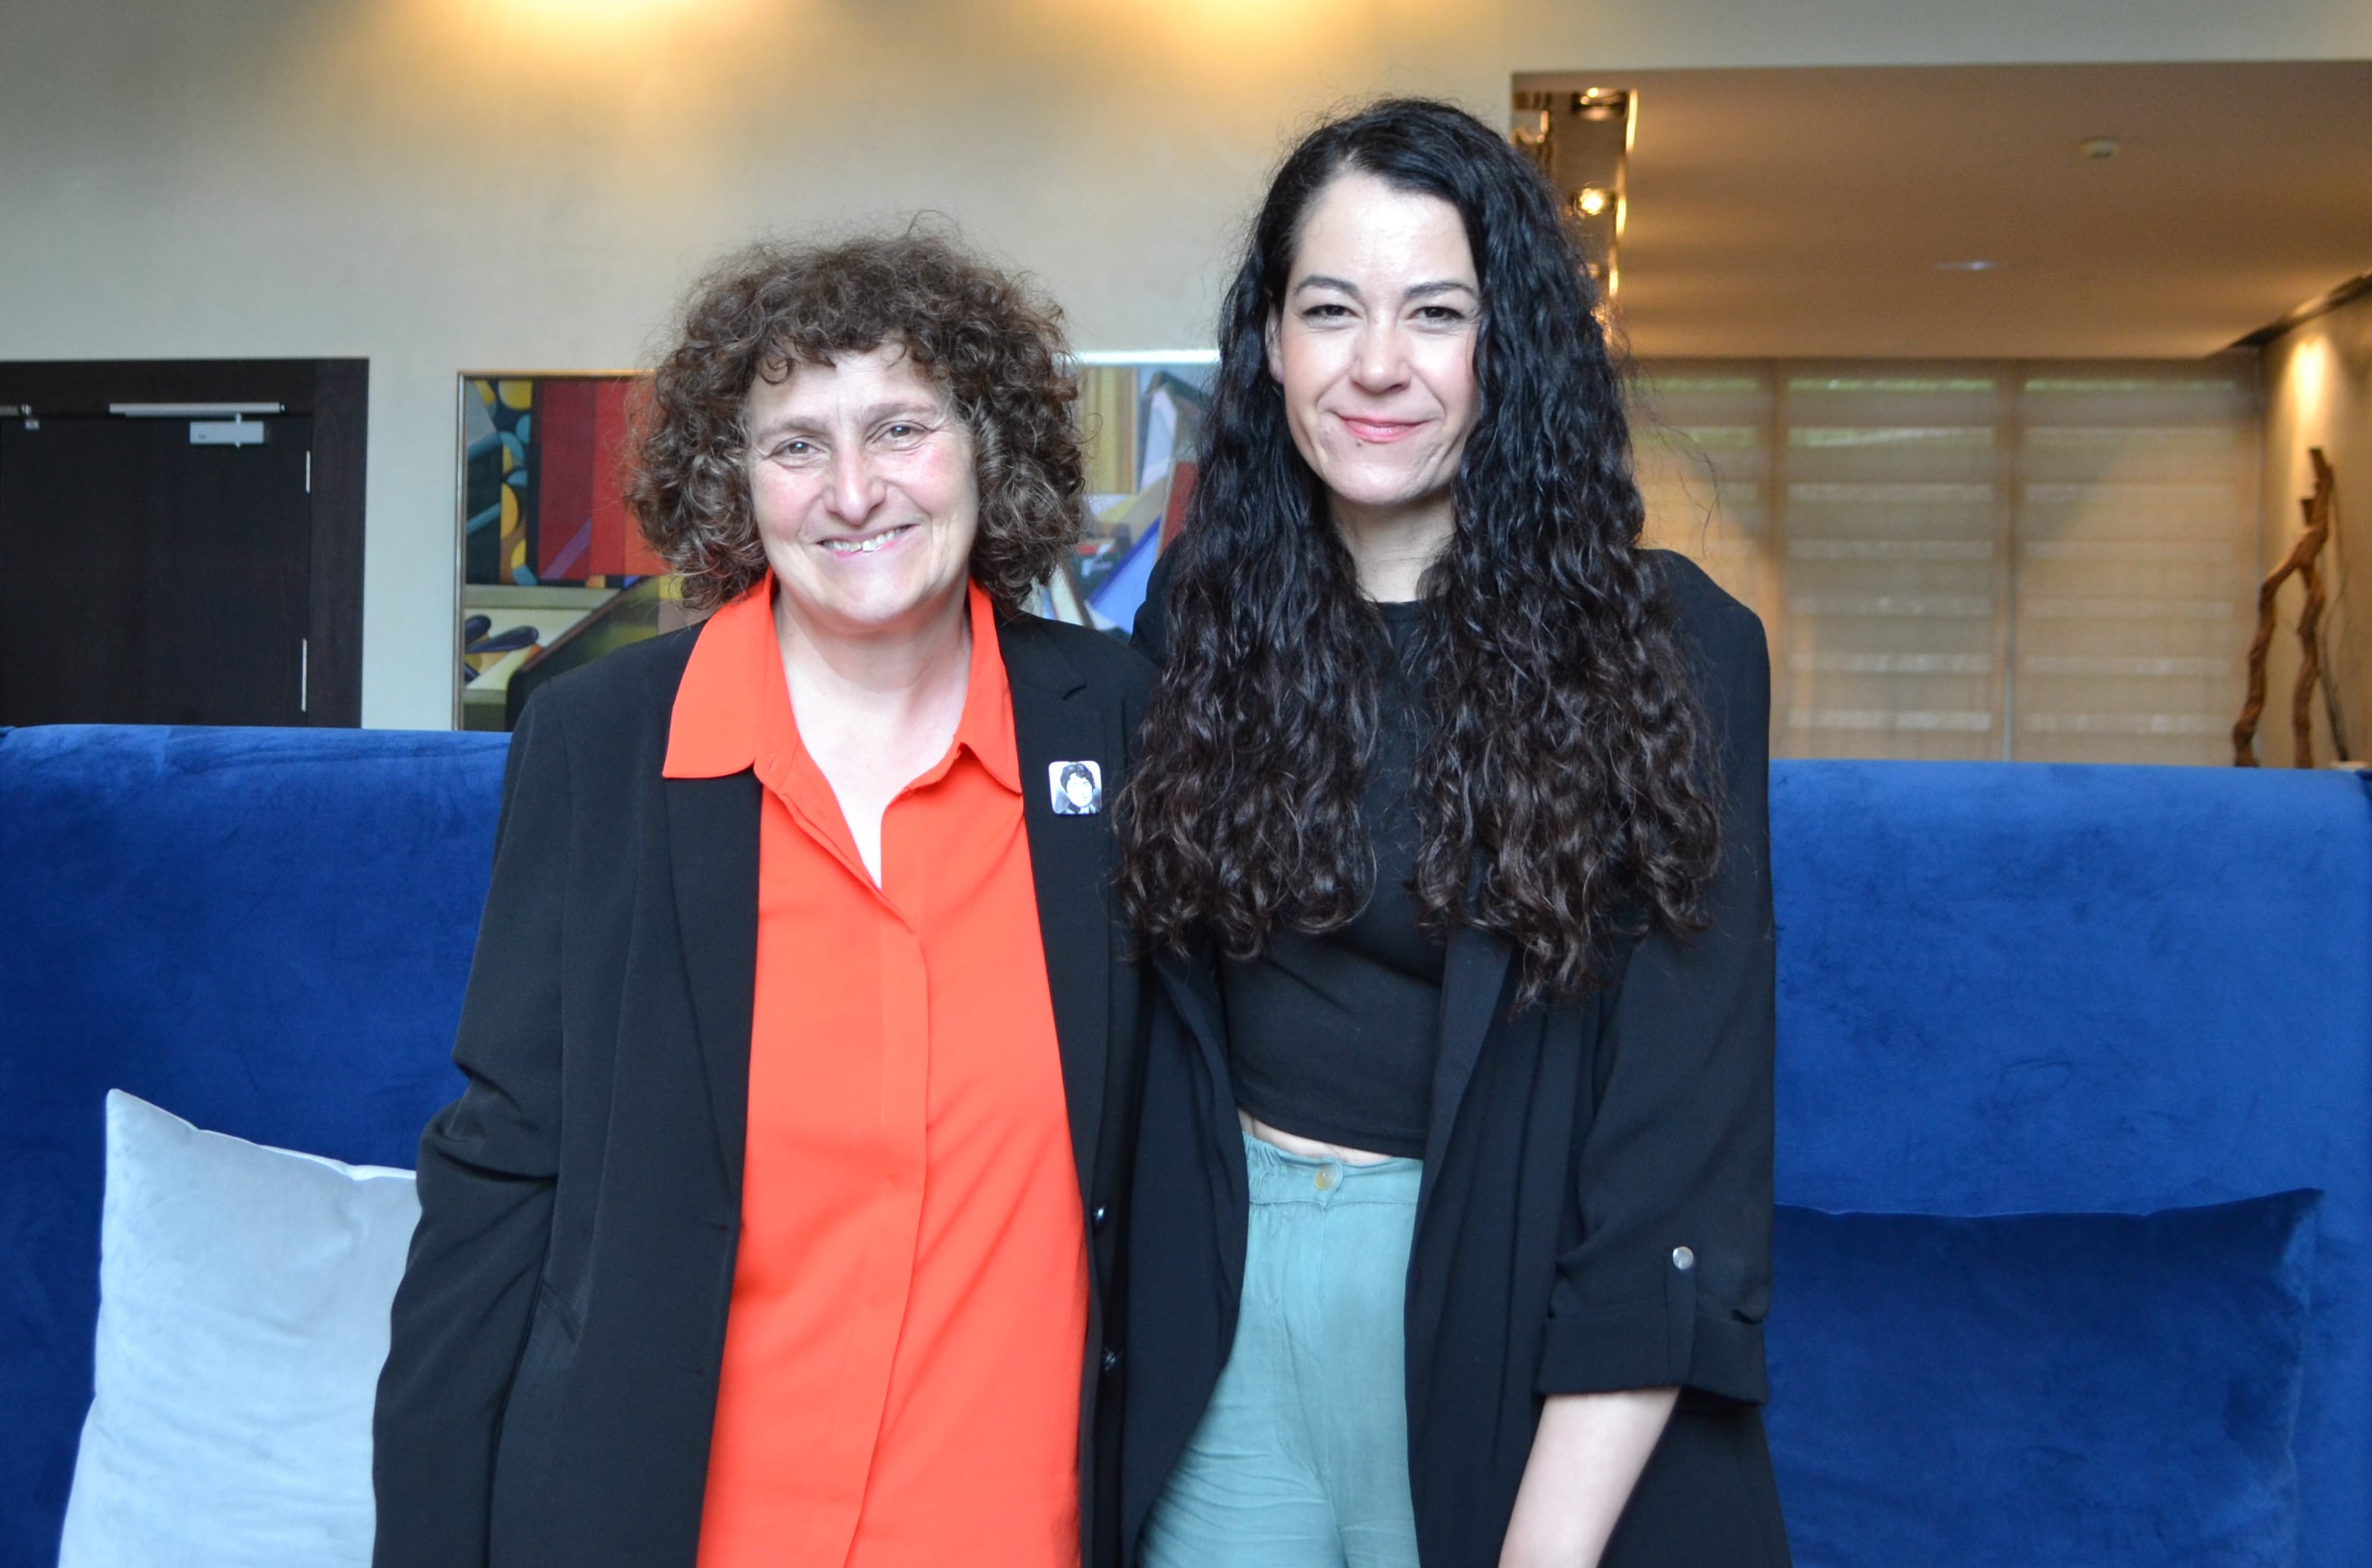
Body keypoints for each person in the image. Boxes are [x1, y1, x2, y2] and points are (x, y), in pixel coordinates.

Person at [374, 232, 1153, 1568]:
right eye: (796, 444)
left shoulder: (1123, 723)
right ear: (735, 480)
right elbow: (502, 1169)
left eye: (901, 427)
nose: (853, 492)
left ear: (986, 449)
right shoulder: (602, 741)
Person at [1116, 100, 1787, 1568]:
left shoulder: (1673, 651)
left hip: (1516, 1306)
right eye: (1328, 309)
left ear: (1513, 347)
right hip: (1225, 1301)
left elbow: (1680, 1147)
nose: (1375, 365)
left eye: (1434, 312)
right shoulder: (1194, 625)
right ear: (1272, 346)